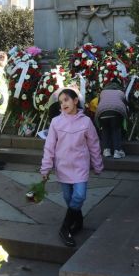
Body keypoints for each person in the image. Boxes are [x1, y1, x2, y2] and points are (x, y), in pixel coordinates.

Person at [40, 87, 102, 247]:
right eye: (60, 102)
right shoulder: (56, 122)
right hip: (63, 167)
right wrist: (46, 168)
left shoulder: (86, 122)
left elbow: (94, 144)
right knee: (69, 199)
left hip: (80, 166)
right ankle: (78, 221)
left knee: (79, 196)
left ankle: (65, 227)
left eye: (66, 99)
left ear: (75, 101)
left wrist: (97, 165)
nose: (63, 104)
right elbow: (49, 146)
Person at [96, 79, 129, 159]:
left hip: (102, 112)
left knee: (105, 130)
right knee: (116, 130)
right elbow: (125, 103)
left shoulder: (103, 92)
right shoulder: (121, 92)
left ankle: (106, 150)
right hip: (116, 112)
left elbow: (100, 102)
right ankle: (117, 151)